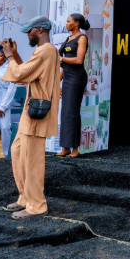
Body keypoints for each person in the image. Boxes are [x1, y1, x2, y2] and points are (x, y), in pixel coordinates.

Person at [0, 15, 61, 220]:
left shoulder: (46, 50)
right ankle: (25, 198)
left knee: (32, 161)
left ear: (40, 30)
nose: (28, 34)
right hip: (31, 113)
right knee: (18, 152)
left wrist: (9, 56)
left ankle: (37, 205)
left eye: (30, 30)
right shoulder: (44, 51)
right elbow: (26, 73)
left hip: (37, 114)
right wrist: (15, 55)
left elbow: (18, 75)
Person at [57, 13, 90, 157]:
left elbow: (78, 60)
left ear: (76, 23)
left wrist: (60, 58)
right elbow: (64, 66)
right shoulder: (68, 38)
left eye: (69, 21)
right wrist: (56, 82)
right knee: (65, 112)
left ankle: (75, 149)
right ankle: (65, 147)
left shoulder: (82, 38)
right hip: (67, 77)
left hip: (77, 78)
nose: (66, 23)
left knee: (72, 112)